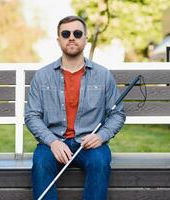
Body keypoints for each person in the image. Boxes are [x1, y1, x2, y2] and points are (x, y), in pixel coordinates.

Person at [25, 15, 126, 200]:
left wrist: (101, 136)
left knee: (100, 161)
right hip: (53, 142)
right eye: (66, 33)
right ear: (59, 40)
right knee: (40, 162)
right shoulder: (42, 76)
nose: (71, 37)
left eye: (77, 33)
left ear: (85, 39)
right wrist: (52, 141)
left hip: (89, 142)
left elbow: (117, 114)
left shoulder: (103, 76)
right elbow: (32, 115)